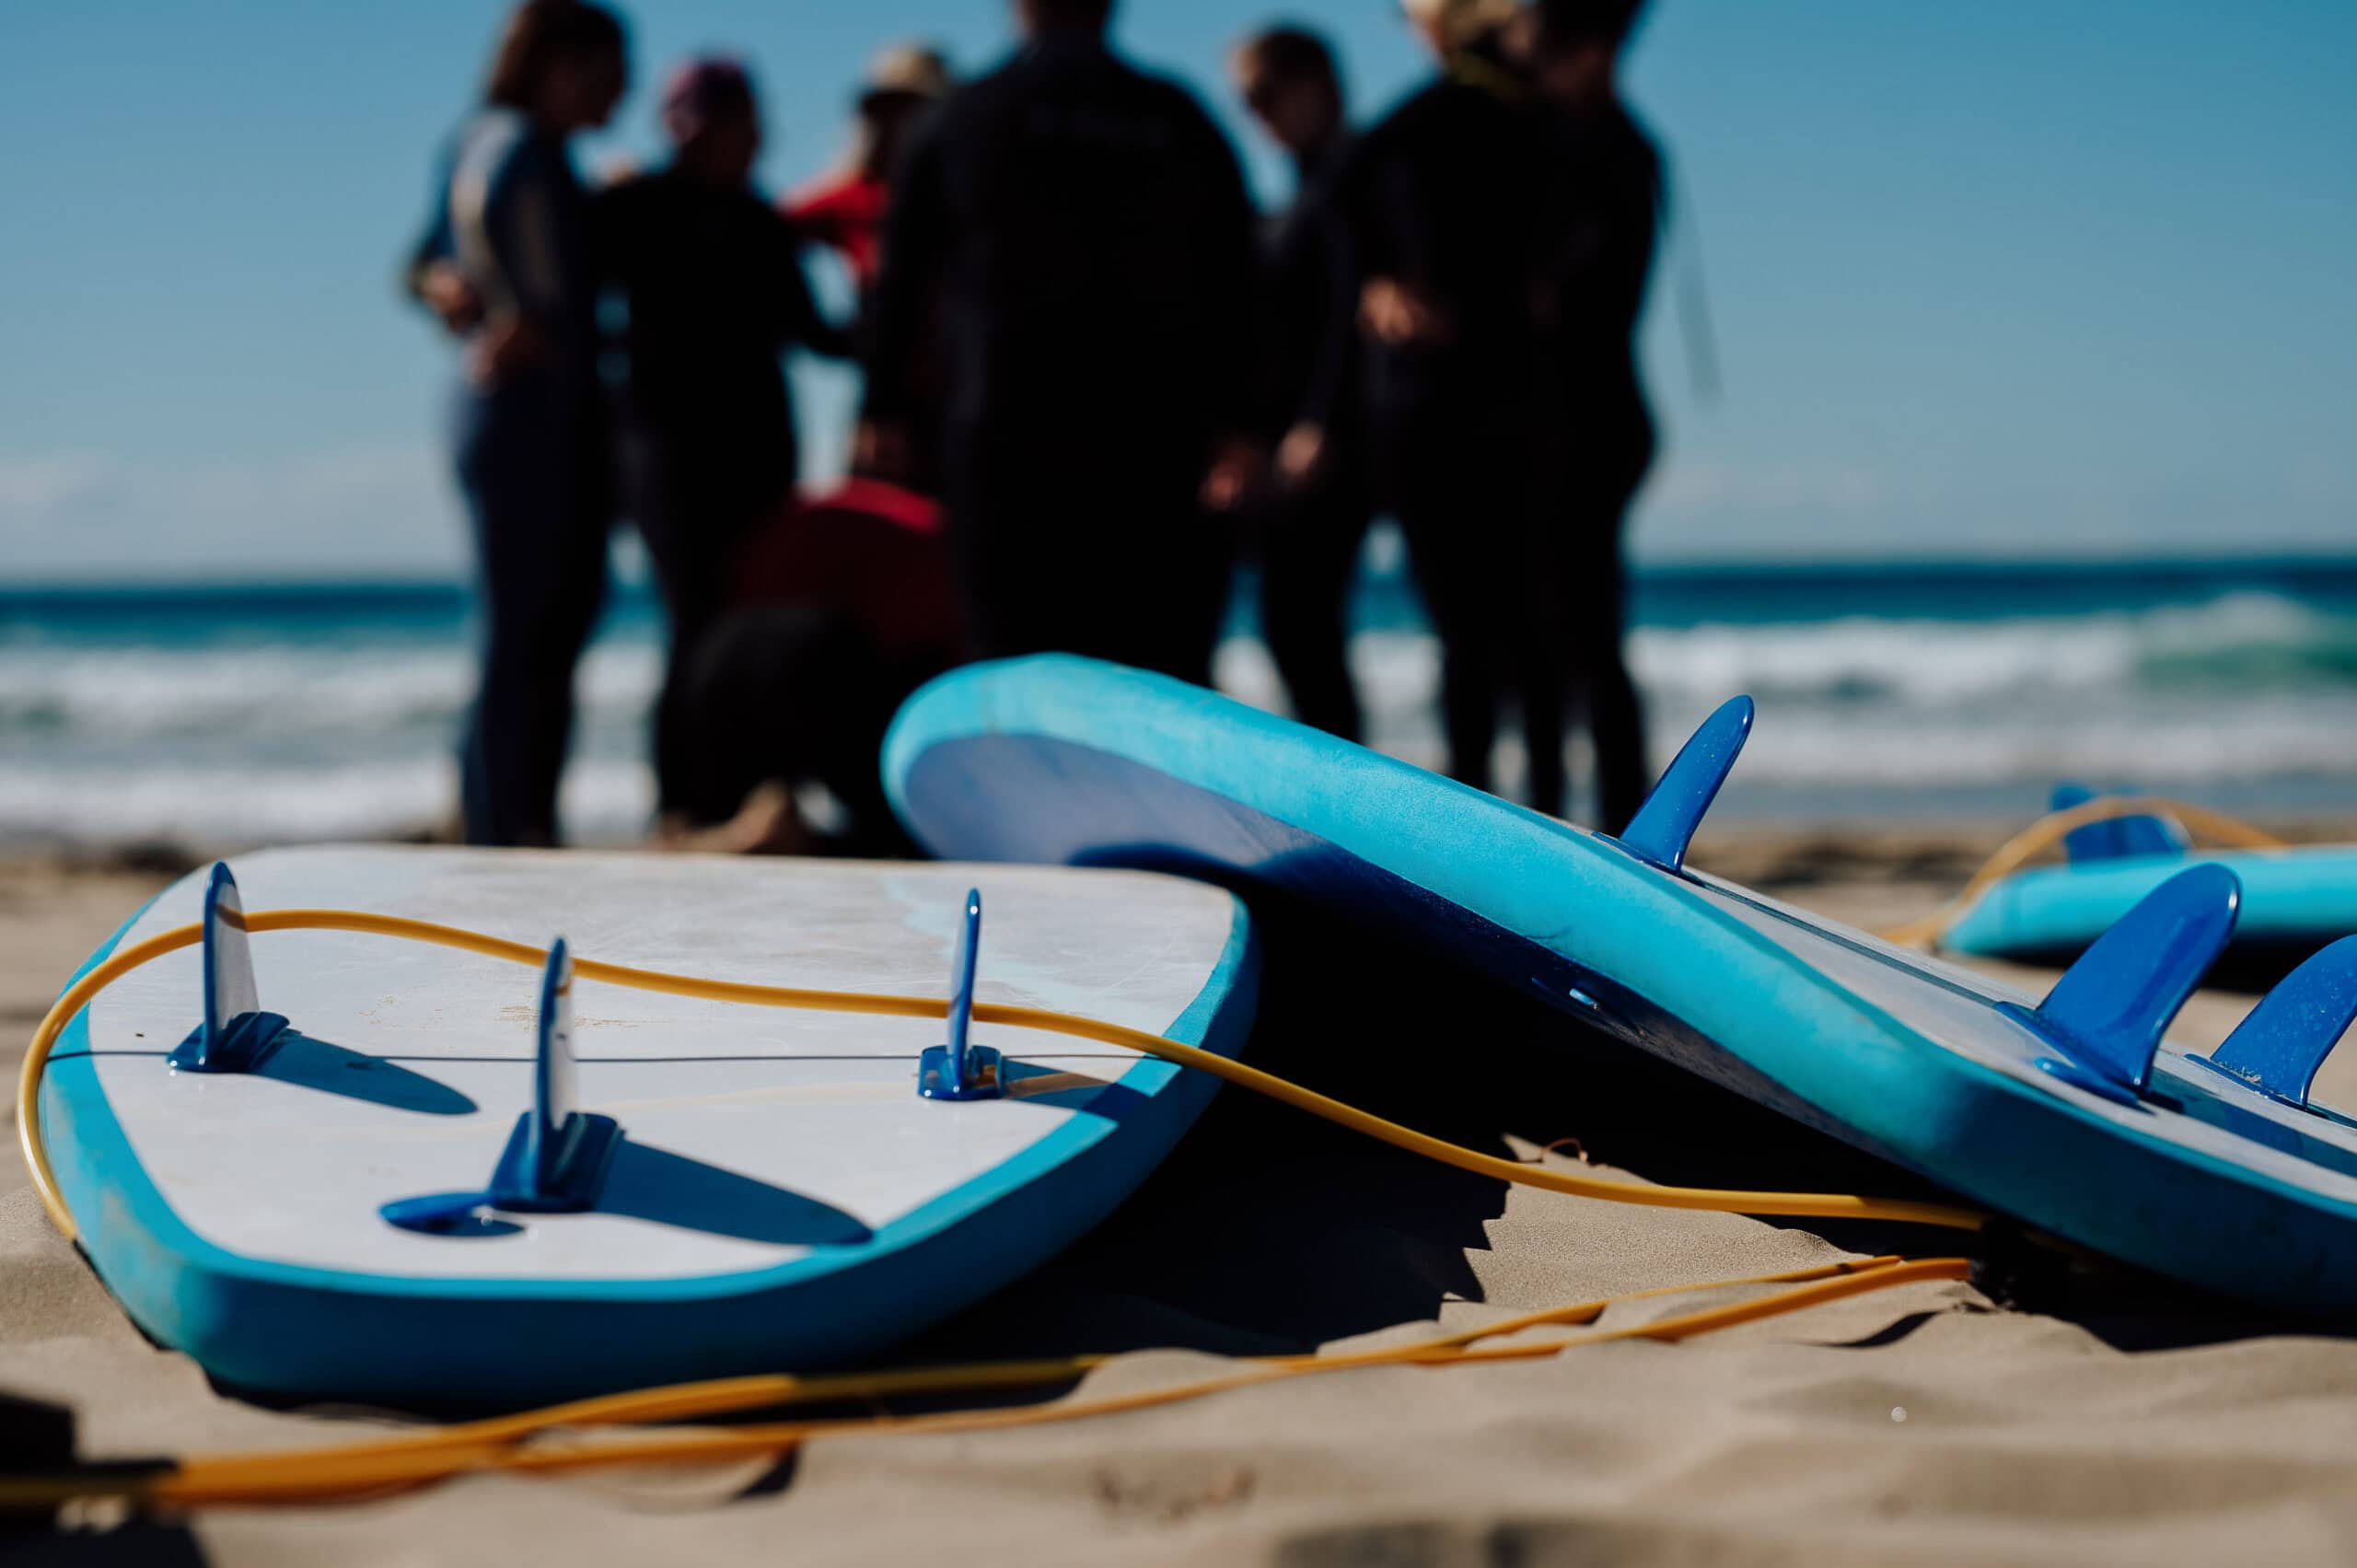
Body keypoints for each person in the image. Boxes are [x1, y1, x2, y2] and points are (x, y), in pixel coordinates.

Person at [856, 0, 1264, 685]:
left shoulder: (963, 117)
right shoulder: (1175, 117)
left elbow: (898, 279)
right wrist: (1245, 425)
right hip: (1156, 445)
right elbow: (1241, 281)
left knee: (1017, 677)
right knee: (1160, 682)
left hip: (1004, 442)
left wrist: (883, 404)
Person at [596, 58, 850, 829]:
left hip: (761, 456)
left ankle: (754, 794)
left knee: (753, 621)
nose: (746, 137)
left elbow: (818, 334)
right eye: (724, 120)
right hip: (668, 455)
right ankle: (680, 805)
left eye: (749, 120)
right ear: (680, 125)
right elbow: (552, 291)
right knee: (694, 621)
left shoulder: (761, 220)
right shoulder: (632, 205)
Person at [404, 0, 628, 847]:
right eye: (609, 75)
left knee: (539, 623)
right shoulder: (515, 149)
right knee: (527, 628)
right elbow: (455, 256)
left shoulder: (514, 150)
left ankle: (509, 821)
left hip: (520, 412)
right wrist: (506, 303)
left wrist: (452, 287)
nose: (621, 94)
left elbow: (421, 261)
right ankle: (507, 831)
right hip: (526, 414)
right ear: (558, 66)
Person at [1319, 0, 1552, 798]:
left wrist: (1383, 271)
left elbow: (1342, 183)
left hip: (1453, 404)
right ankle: (1518, 803)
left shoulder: (1453, 119)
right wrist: (1380, 273)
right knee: (1502, 626)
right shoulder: (1511, 118)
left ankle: (1495, 800)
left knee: (1478, 629)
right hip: (1482, 402)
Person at [1514, 0, 1658, 830]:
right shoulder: (1591, 141)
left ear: (1592, 49)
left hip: (1588, 422)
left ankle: (1611, 822)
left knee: (1582, 639)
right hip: (1586, 416)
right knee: (1558, 636)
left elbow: (1575, 296)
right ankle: (1568, 816)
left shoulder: (1611, 150)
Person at [1229, 25, 1370, 741]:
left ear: (1316, 83)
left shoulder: (1353, 179)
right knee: (1296, 627)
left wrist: (1320, 420)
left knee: (1302, 623)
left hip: (1328, 445)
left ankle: (1351, 809)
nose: (1255, 115)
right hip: (1287, 440)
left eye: (1262, 94)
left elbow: (1351, 313)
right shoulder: (1303, 188)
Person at [784, 44, 955, 301]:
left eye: (913, 109)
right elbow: (762, 233)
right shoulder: (855, 197)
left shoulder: (969, 192)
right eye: (887, 111)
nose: (900, 124)